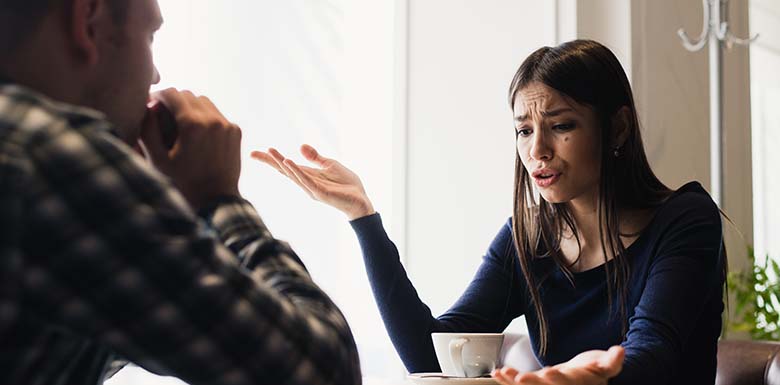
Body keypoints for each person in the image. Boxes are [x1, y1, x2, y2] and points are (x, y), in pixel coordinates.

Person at [253, 39, 725, 385]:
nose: (537, 149)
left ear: (617, 128)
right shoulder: (528, 239)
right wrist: (364, 219)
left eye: (561, 126)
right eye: (523, 130)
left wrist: (582, 376)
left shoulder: (684, 219)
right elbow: (430, 354)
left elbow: (652, 357)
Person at [0, 0, 361, 384]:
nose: (155, 75)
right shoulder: (49, 154)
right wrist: (218, 199)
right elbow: (324, 372)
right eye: (150, 35)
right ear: (88, 20)